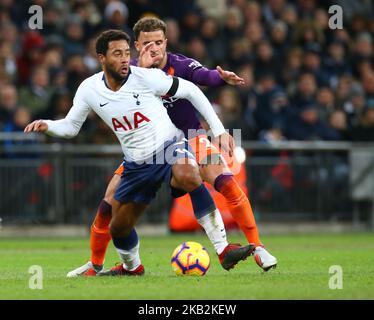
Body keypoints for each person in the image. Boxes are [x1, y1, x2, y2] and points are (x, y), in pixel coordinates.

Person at [24, 30, 254, 276]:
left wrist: (218, 130)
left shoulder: (145, 78)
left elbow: (192, 91)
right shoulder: (89, 89)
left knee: (189, 174)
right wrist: (48, 125)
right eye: (117, 54)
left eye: (126, 53)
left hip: (169, 147)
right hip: (136, 164)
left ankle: (223, 249)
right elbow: (70, 127)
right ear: (101, 58)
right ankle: (131, 268)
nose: (124, 59)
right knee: (118, 227)